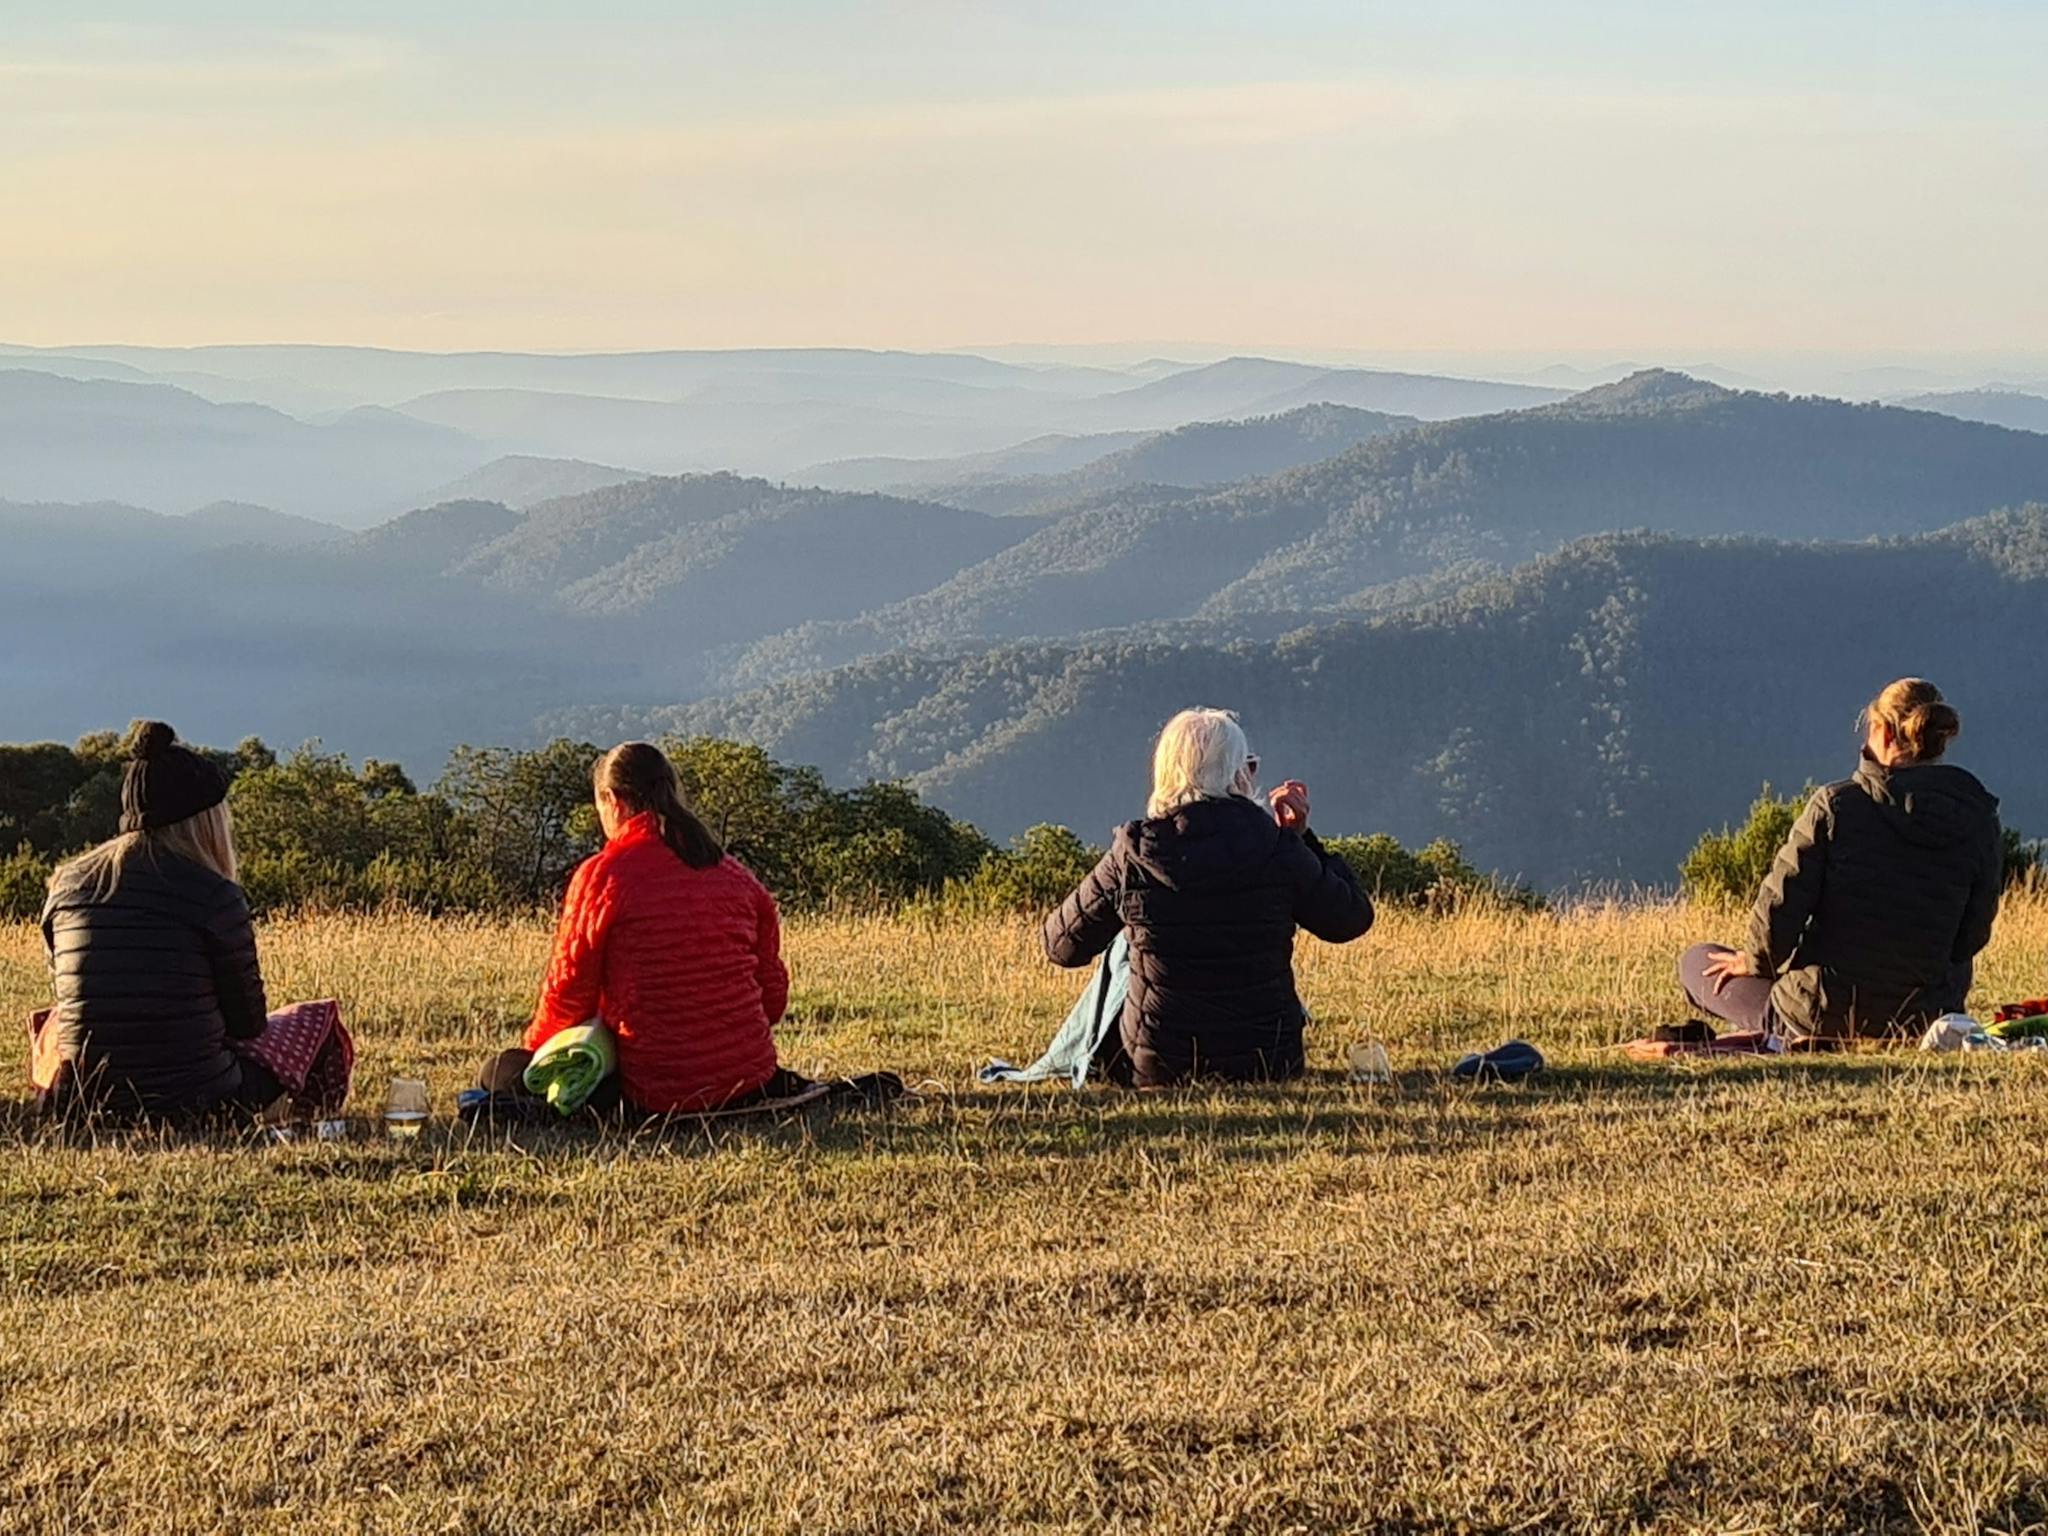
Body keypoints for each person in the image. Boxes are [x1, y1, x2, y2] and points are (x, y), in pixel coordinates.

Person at [1040, 707, 1374, 1087]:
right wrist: (1303, 840)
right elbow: (1349, 920)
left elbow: (1061, 947)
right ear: (1238, 775)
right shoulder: (1277, 847)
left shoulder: (1133, 852)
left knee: (1125, 946)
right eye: (1250, 766)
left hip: (1158, 1063)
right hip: (1267, 1060)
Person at [37, 721, 350, 1121]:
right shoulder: (214, 895)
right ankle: (312, 1120)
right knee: (315, 1021)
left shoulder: (68, 886)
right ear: (207, 823)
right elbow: (248, 1024)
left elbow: (70, 998)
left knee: (54, 1025)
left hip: (85, 1100)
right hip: (201, 1102)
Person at [478, 742, 800, 1116]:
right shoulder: (737, 876)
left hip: (656, 1094)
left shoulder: (604, 876)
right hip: (750, 1080)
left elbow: (568, 993)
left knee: (498, 1072)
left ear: (611, 800)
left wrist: (539, 1056)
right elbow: (772, 999)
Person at [1679, 678, 2003, 1043]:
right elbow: (1972, 934)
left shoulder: (1836, 807)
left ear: (1879, 730)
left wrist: (1753, 963)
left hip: (1823, 1014)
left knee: (1697, 963)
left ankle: (1770, 1034)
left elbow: (1780, 909)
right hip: (1925, 1018)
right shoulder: (1978, 816)